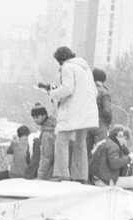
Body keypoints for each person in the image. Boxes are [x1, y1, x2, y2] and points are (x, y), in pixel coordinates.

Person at [47, 46, 99, 183]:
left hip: (74, 110)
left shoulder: (67, 67)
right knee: (81, 143)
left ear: (60, 59)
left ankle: (61, 174)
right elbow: (95, 91)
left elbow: (68, 89)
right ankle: (81, 176)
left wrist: (53, 93)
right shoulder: (85, 69)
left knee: (61, 140)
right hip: (88, 111)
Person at [0, 126, 32, 202]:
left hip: (14, 174)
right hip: (29, 175)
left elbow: (9, 151)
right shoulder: (32, 143)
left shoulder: (15, 142)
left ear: (18, 134)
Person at [89, 125, 133, 191]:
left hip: (99, 178)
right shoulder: (113, 146)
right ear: (119, 135)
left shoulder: (107, 142)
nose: (125, 142)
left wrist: (129, 157)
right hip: (105, 181)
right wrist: (129, 158)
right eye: (125, 138)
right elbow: (115, 163)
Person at [28, 105, 56, 181]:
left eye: (37, 117)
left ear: (44, 115)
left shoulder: (47, 133)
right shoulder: (53, 126)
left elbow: (46, 156)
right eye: (33, 118)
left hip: (55, 168)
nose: (35, 120)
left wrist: (40, 176)